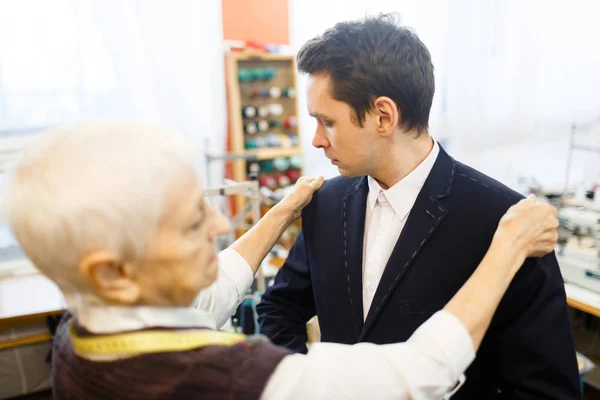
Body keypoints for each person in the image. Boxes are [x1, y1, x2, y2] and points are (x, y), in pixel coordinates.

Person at [5, 122, 559, 400]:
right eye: (194, 222)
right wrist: (506, 247)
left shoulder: (83, 333)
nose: (222, 225)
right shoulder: (226, 379)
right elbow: (418, 374)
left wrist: (279, 214)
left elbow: (214, 291)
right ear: (113, 272)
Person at [256, 13, 580, 399]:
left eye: (327, 122)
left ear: (383, 116)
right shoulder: (326, 203)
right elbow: (280, 308)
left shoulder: (506, 223)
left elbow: (546, 390)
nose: (316, 141)